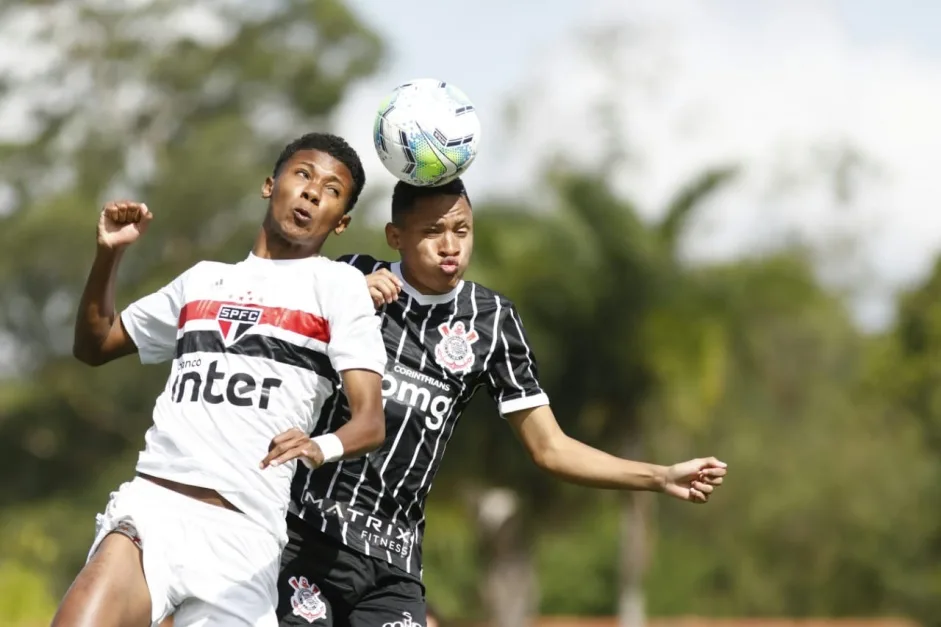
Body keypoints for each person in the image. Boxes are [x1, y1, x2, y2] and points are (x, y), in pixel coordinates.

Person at [276, 179, 728, 627]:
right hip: (308, 537)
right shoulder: (350, 276)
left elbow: (550, 447)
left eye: (462, 229)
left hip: (391, 561)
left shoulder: (492, 323)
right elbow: (266, 320)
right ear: (396, 237)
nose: (450, 245)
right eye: (433, 231)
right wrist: (347, 293)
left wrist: (659, 475)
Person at [54, 133, 389, 627]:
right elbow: (94, 345)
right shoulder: (202, 279)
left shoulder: (339, 288)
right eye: (303, 175)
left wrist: (321, 447)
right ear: (269, 184)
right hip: (154, 509)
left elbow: (371, 422)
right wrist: (109, 254)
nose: (313, 191)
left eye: (332, 190)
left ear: (340, 222)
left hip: (243, 538)